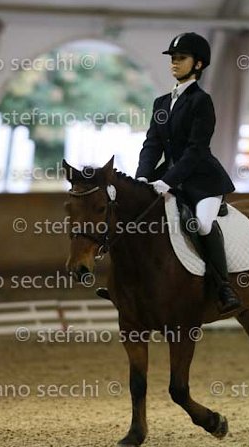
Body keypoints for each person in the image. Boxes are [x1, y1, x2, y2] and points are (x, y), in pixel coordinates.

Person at [98, 32, 241, 313]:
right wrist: (142, 177)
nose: (174, 62)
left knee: (202, 224)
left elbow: (196, 150)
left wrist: (167, 181)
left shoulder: (202, 101)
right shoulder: (162, 103)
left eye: (181, 58)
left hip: (203, 181)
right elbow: (152, 144)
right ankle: (125, 285)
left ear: (198, 64)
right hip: (166, 177)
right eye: (173, 58)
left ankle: (223, 286)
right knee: (136, 217)